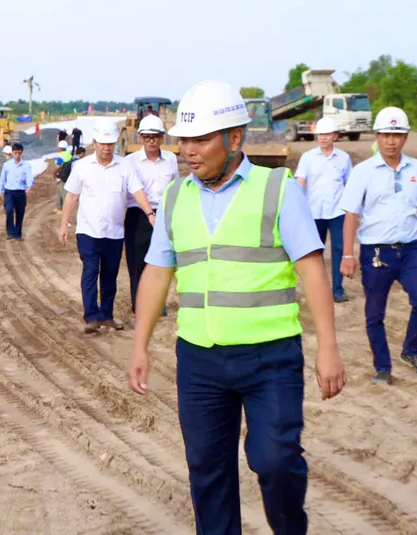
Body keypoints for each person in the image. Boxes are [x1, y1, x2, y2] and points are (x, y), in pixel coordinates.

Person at [128, 81, 346, 535]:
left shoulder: (278, 189)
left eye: (201, 139)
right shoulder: (174, 198)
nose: (189, 151)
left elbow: (312, 269)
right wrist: (140, 345)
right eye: (184, 140)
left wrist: (329, 347)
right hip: (199, 358)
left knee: (276, 462)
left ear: (235, 138)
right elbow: (155, 273)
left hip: (270, 357)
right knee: (207, 470)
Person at [339, 106, 417, 385]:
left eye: (397, 134)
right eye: (386, 135)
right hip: (376, 253)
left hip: (410, 250)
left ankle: (411, 351)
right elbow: (351, 214)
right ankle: (382, 367)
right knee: (375, 314)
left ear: (405, 137)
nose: (391, 141)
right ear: (377, 137)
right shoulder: (363, 172)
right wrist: (348, 254)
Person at [60, 124, 154, 333]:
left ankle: (107, 315)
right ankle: (91, 316)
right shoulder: (82, 166)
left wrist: (149, 213)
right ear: (94, 144)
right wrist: (63, 224)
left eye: (110, 144)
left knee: (110, 275)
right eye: (103, 144)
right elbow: (71, 196)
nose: (106, 148)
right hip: (88, 231)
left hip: (114, 232)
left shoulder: (124, 166)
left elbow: (137, 191)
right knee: (91, 271)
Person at [124, 115, 178, 326]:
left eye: (155, 136)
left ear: (162, 138)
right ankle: (139, 311)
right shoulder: (130, 162)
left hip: (163, 215)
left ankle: (158, 304)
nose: (151, 141)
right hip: (138, 216)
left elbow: (173, 187)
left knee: (160, 263)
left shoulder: (171, 160)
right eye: (147, 137)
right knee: (137, 265)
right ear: (140, 137)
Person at [295, 117, 352, 303]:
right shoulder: (308, 158)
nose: (323, 138)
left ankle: (337, 289)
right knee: (315, 252)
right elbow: (300, 181)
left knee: (339, 249)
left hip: (337, 212)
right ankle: (317, 289)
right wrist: (297, 205)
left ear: (335, 136)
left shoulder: (343, 158)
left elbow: (349, 184)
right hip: (313, 212)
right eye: (320, 134)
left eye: (327, 134)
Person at [0, 142, 34, 240]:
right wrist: (0, 191)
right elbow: (2, 179)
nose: (17, 155)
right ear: (12, 153)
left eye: (19, 153)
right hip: (9, 192)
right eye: (15, 153)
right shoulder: (7, 165)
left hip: (21, 192)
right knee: (9, 210)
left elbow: (30, 177)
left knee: (20, 212)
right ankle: (10, 232)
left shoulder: (26, 165)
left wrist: (29, 186)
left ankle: (18, 234)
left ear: (22, 153)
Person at [54, 139, 73, 212]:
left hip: (61, 176)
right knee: (60, 192)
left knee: (62, 193)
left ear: (59, 148)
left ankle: (64, 209)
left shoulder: (60, 155)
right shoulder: (69, 155)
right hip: (67, 175)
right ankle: (59, 207)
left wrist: (54, 174)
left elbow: (57, 166)